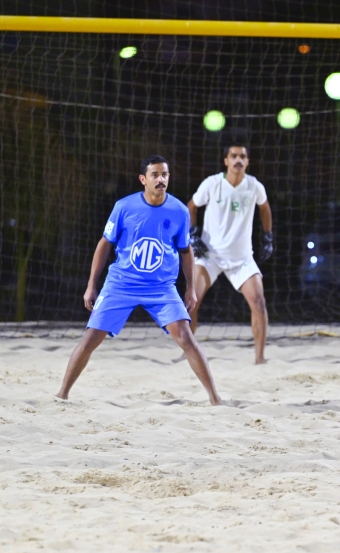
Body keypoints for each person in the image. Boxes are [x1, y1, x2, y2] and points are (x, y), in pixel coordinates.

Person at [57, 155, 222, 405]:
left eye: (164, 174)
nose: (161, 179)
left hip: (161, 287)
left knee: (186, 337)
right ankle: (62, 394)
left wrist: (190, 288)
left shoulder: (179, 210)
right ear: (143, 179)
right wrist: (92, 285)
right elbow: (104, 244)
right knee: (90, 338)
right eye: (155, 174)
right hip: (121, 283)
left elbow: (186, 251)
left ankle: (215, 398)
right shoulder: (124, 207)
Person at [186, 144, 274, 364]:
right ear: (226, 161)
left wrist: (268, 237)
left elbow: (265, 208)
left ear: (247, 161)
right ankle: (187, 353)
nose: (238, 160)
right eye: (233, 156)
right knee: (190, 302)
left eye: (242, 156)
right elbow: (191, 206)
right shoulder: (212, 183)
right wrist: (192, 235)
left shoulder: (254, 186)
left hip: (241, 257)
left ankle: (260, 358)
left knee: (258, 301)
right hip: (210, 255)